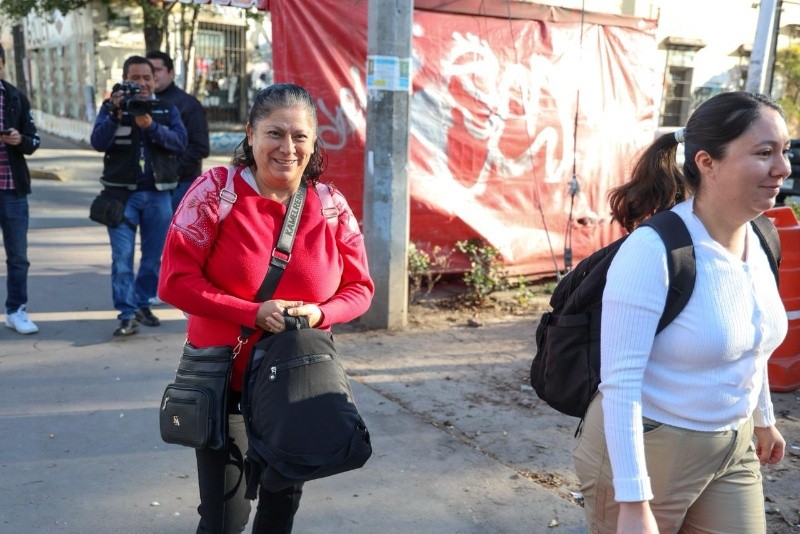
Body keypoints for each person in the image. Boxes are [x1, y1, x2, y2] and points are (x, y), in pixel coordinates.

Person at [158, 83, 374, 532]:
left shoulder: (331, 205)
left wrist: (320, 314)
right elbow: (174, 282)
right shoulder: (216, 192)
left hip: (295, 384)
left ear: (314, 143)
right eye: (275, 133)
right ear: (251, 134)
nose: (287, 148)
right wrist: (250, 312)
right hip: (223, 384)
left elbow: (360, 289)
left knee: (279, 512)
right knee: (223, 519)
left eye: (300, 136)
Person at [573, 90, 789, 533]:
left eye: (783, 151)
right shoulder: (653, 250)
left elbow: (754, 340)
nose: (782, 168)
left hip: (734, 446)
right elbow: (621, 384)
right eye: (764, 153)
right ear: (707, 162)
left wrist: (763, 418)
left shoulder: (763, 236)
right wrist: (632, 501)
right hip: (649, 449)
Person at [90, 55, 187, 337]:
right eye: (135, 78)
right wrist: (113, 113)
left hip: (157, 196)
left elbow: (180, 142)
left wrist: (150, 126)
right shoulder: (112, 109)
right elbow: (98, 142)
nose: (142, 83)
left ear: (154, 80)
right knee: (121, 257)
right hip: (120, 196)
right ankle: (127, 314)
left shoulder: (167, 109)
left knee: (152, 258)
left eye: (146, 77)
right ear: (124, 80)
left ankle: (143, 302)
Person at [0, 44, 41, 335]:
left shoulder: (15, 97)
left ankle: (16, 310)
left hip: (12, 189)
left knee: (18, 256)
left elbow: (34, 140)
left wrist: (19, 140)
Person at [145, 51, 210, 212]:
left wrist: (171, 171)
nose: (153, 75)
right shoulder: (141, 104)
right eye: (149, 71)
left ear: (171, 72)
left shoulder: (188, 104)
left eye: (158, 70)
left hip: (181, 185)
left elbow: (200, 147)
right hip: (150, 185)